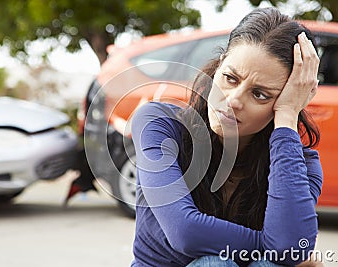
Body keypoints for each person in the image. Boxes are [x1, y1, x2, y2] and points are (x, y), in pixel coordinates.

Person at [130, 7, 323, 267]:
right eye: (230, 78)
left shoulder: (301, 165)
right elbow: (184, 232)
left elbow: (289, 247)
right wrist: (270, 245)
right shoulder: (161, 124)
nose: (232, 101)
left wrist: (288, 116)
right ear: (219, 65)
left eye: (260, 94)